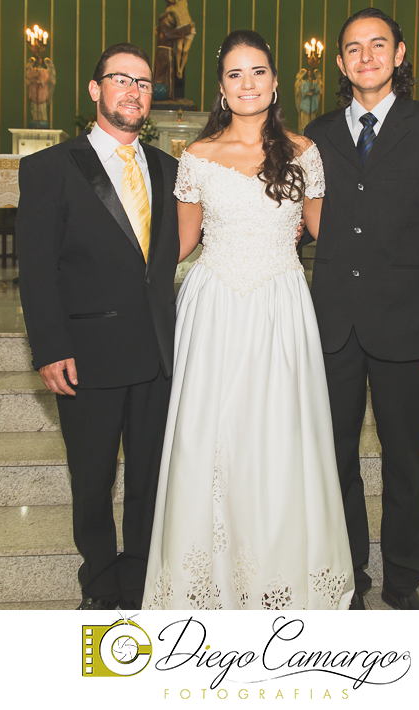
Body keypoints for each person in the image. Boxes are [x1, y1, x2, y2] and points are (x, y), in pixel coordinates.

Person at [143, 30, 354, 610]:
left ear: (276, 80)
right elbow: (180, 244)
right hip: (213, 309)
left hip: (280, 305)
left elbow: (323, 233)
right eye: (235, 75)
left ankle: (280, 578)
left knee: (277, 439)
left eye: (257, 72)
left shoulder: (304, 151)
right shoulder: (197, 158)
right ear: (221, 87)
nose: (247, 84)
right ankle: (203, 581)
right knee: (208, 440)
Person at [303, 8, 419, 610]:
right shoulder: (315, 134)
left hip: (405, 321)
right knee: (337, 458)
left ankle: (404, 579)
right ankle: (348, 577)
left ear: (400, 54)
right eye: (353, 48)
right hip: (334, 325)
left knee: (404, 457)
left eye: (378, 45)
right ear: (341, 63)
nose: (366, 56)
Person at [15, 43, 181, 611]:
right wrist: (50, 346)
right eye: (121, 79)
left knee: (148, 482)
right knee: (91, 481)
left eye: (143, 82)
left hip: (158, 353)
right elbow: (35, 269)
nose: (134, 91)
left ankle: (137, 581)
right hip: (87, 352)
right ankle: (99, 583)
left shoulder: (169, 169)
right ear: (94, 90)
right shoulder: (49, 169)